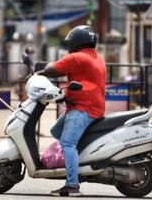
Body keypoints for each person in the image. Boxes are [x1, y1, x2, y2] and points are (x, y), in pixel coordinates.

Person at [35, 25, 107, 197]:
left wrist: (39, 73)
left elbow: (52, 69)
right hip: (89, 106)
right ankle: (74, 161)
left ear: (76, 41)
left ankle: (73, 185)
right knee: (56, 131)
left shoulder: (78, 57)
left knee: (67, 143)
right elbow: (62, 74)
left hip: (84, 108)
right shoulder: (96, 57)